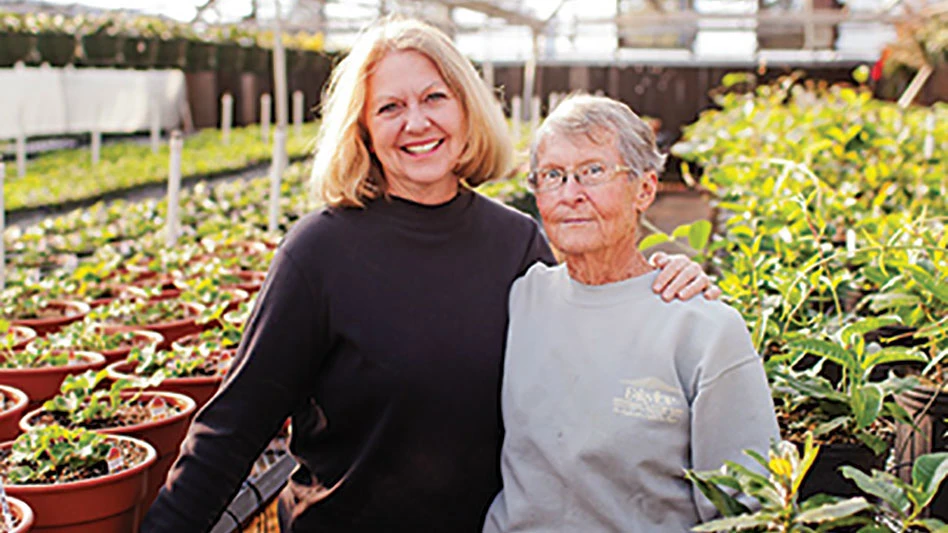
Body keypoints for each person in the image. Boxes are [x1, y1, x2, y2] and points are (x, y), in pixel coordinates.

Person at [141, 18, 719, 533]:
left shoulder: (515, 243)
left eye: (434, 97)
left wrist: (661, 285)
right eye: (389, 108)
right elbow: (233, 427)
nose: (416, 122)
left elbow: (597, 342)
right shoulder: (319, 252)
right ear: (363, 131)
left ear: (465, 109)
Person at [481, 94, 780, 533]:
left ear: (645, 189)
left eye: (593, 171)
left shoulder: (703, 330)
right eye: (553, 175)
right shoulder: (522, 297)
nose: (571, 194)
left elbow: (749, 508)